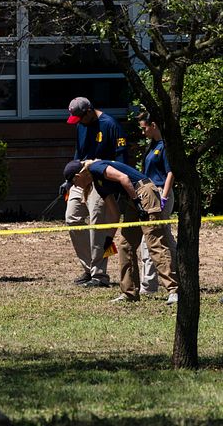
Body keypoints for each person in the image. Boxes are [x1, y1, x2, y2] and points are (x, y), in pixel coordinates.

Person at [63, 158, 178, 304]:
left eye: (74, 183)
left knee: (154, 242)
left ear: (78, 177)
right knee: (125, 246)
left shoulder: (97, 167)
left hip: (143, 192)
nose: (75, 186)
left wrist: (138, 203)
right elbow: (114, 213)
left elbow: (123, 178)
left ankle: (174, 290)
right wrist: (109, 238)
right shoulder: (98, 185)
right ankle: (130, 293)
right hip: (133, 199)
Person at [62, 97, 128, 288]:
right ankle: (89, 267)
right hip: (80, 177)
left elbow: (121, 159)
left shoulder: (111, 125)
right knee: (72, 218)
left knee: (98, 227)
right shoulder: (80, 125)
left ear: (89, 111)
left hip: (102, 179)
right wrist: (69, 180)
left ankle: (99, 275)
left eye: (80, 117)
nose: (79, 122)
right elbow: (78, 153)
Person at [137, 111, 177, 295]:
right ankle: (177, 273)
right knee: (165, 237)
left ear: (154, 125)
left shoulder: (165, 146)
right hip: (149, 193)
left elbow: (170, 173)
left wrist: (164, 197)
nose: (142, 132)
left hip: (159, 193)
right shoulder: (152, 146)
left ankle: (149, 284)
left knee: (151, 238)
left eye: (144, 128)